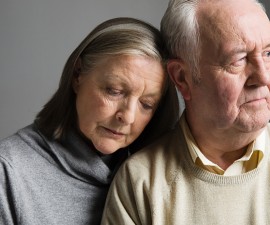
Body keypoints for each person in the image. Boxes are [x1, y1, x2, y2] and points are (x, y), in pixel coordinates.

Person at [101, 0, 270, 224]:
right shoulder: (139, 183)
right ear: (182, 78)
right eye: (238, 59)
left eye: (268, 54)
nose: (264, 77)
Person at [0, 17, 180, 225]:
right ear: (78, 76)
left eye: (146, 104)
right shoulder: (8, 172)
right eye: (114, 91)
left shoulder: (154, 177)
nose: (128, 116)